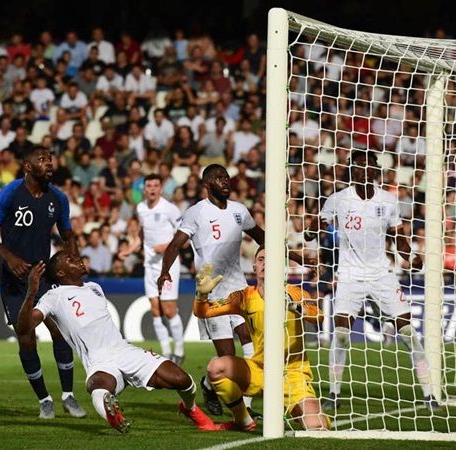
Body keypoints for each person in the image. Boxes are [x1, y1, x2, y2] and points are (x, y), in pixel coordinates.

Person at [157, 164, 309, 419]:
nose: (226, 181)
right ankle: (208, 385)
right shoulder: (196, 213)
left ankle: (246, 408)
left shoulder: (239, 211)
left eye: (227, 177)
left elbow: (262, 237)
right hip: (212, 292)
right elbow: (174, 245)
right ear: (207, 185)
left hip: (239, 289)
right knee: (227, 356)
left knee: (251, 347)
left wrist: (293, 256)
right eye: (219, 178)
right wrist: (165, 271)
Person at [16, 251, 220, 433]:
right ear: (61, 273)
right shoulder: (53, 297)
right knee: (98, 387)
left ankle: (190, 408)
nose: (77, 258)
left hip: (124, 352)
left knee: (182, 380)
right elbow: (24, 328)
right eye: (70, 259)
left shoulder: (94, 287)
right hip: (99, 362)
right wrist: (31, 293)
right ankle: (113, 418)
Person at [304, 150, 439, 411]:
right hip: (350, 275)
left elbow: (398, 239)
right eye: (358, 165)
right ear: (350, 170)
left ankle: (429, 394)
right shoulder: (338, 200)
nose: (363, 169)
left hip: (381, 275)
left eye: (368, 165)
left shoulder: (388, 200)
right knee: (341, 334)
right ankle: (333, 393)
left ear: (376, 169)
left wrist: (411, 257)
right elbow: (314, 230)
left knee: (408, 333)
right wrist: (312, 230)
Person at [0, 145, 87, 419]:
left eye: (50, 159)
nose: (49, 164)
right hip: (13, 280)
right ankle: (44, 400)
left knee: (60, 331)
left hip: (44, 276)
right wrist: (9, 257)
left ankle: (68, 396)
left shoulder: (58, 199)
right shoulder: (11, 193)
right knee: (26, 338)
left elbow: (68, 235)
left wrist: (73, 270)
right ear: (28, 166)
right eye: (42, 160)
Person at [193, 246, 331, 431]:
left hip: (292, 374)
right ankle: (243, 421)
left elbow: (319, 316)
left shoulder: (295, 293)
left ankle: (297, 408)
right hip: (259, 369)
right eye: (261, 259)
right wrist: (201, 295)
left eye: (270, 258)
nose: (265, 263)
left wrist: (297, 308)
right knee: (216, 367)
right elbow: (203, 312)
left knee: (318, 427)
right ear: (254, 268)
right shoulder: (244, 296)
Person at [119, 173, 186, 365]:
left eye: (156, 185)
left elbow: (184, 235)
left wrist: (166, 247)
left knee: (169, 309)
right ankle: (166, 351)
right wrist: (130, 250)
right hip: (150, 265)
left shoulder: (170, 209)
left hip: (168, 265)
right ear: (144, 189)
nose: (152, 189)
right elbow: (142, 233)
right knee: (156, 310)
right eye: (149, 186)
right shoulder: (141, 208)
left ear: (161, 189)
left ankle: (179, 350)